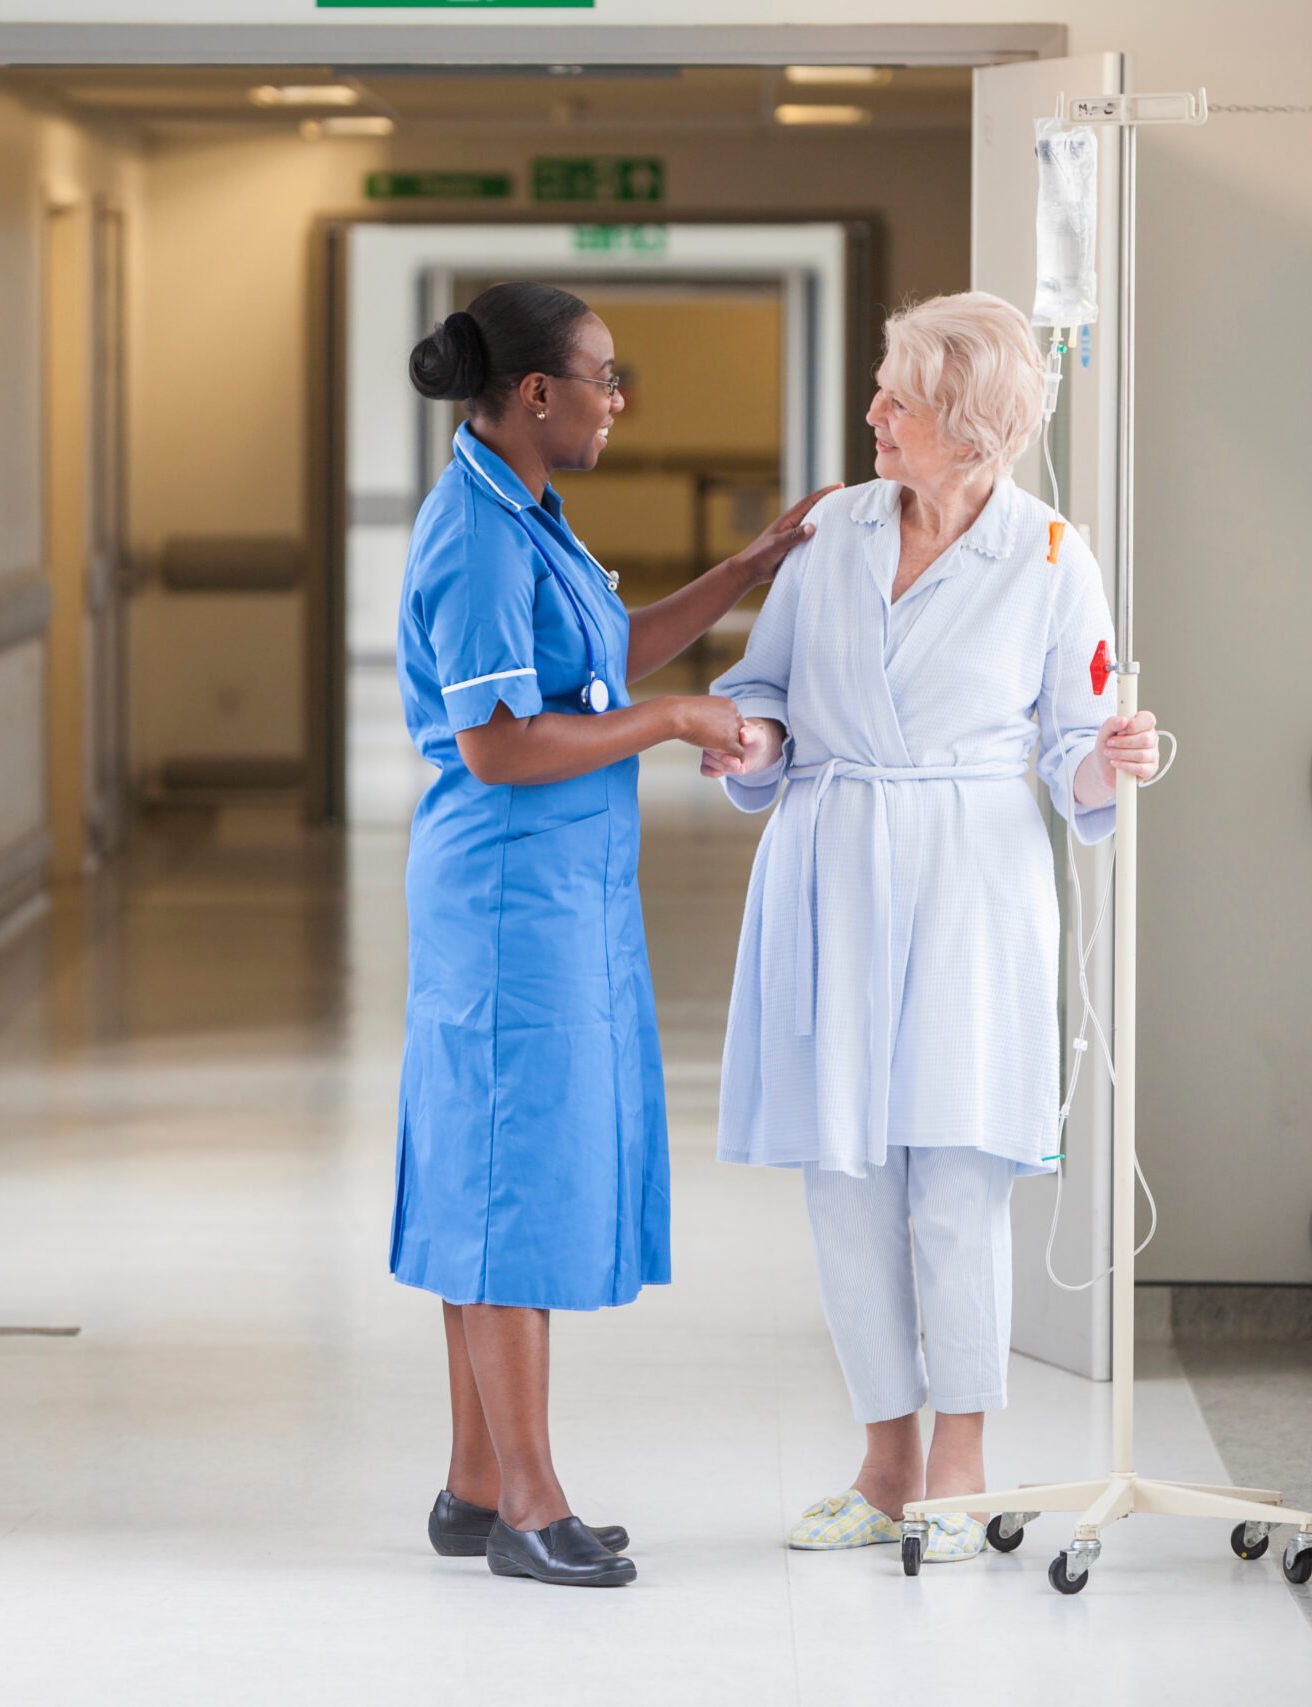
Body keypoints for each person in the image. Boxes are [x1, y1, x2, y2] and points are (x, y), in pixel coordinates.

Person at [702, 291, 1164, 1564]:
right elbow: (765, 687)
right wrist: (749, 739)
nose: (872, 417)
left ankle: (960, 1464)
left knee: (957, 1180)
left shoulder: (1054, 555)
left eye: (896, 399)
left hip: (972, 872)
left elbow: (1072, 750)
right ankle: (881, 1466)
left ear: (966, 427)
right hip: (832, 858)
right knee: (845, 1181)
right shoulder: (832, 532)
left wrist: (1110, 761)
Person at [395, 281, 835, 1588]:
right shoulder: (473, 534)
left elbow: (599, 663)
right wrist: (673, 721)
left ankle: (477, 1483)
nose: (616, 397)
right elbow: (498, 740)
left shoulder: (528, 513)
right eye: (603, 374)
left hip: (558, 890)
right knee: (505, 1181)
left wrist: (753, 566)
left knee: (505, 1168)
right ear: (537, 393)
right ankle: (530, 1502)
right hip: (504, 898)